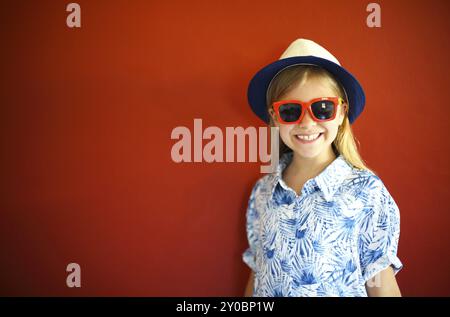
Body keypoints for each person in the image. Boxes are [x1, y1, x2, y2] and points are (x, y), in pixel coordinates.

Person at [242, 39, 402, 297]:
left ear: (341, 113)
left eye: (322, 109)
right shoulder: (262, 193)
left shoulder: (366, 192)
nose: (306, 123)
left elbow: (381, 284)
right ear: (274, 117)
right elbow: (258, 274)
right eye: (291, 111)